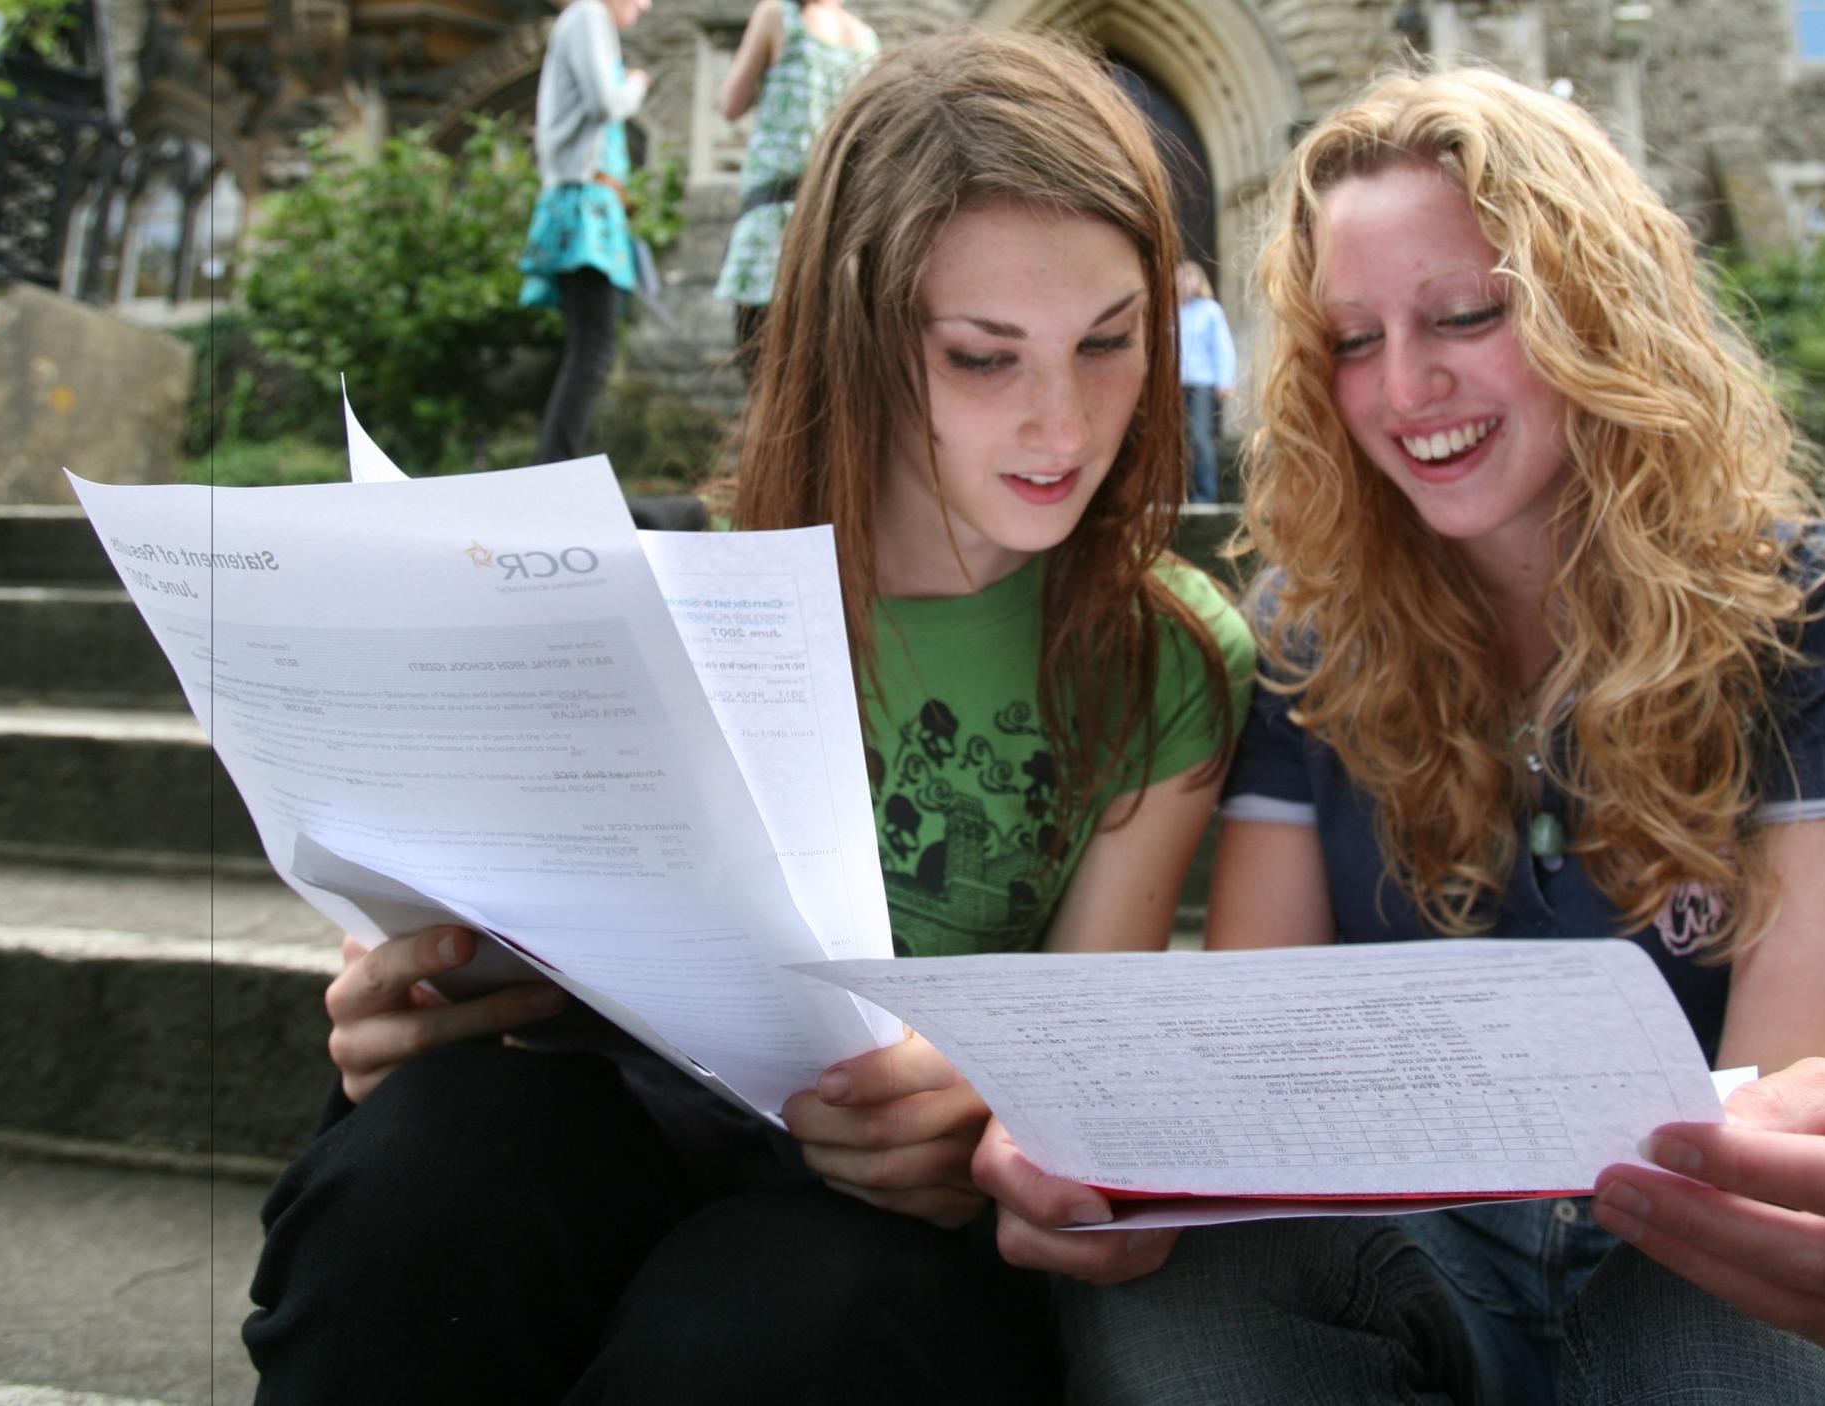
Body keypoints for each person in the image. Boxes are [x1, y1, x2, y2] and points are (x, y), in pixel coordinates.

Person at [973, 68, 1825, 1404]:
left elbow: (1796, 1116)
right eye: (1351, 341)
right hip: (1420, 1251)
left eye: (1468, 314)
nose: (1407, 387)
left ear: (1602, 310)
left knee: (1713, 1325)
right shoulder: (1311, 636)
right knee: (1191, 1306)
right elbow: (1269, 1050)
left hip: (1692, 1245)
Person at [242, 31, 1250, 1404]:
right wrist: (393, 1001)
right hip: (590, 1117)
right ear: (867, 337)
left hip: (876, 1231)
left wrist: (986, 1105)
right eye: (982, 357)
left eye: (1110, 342)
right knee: (420, 1189)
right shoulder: (638, 582)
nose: (1062, 422)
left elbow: (1078, 1042)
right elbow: (438, 963)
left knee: (768, 1334)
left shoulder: (1162, 653)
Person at [710, 0, 877, 380]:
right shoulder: (865, 39)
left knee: (762, 369)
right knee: (821, 373)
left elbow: (730, 104)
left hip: (774, 213)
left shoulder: (778, 15)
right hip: (834, 219)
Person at [522, 0, 653, 465]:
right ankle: (553, 473)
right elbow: (605, 102)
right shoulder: (588, 16)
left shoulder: (583, 20)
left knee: (589, 347)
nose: (645, 4)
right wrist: (635, 84)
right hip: (584, 206)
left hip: (591, 206)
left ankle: (554, 470)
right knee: (593, 351)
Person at [1176, 260, 1236, 502]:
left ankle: (1205, 494)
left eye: (1191, 277)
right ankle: (1179, 493)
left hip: (1202, 383)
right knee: (1175, 441)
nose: (1186, 283)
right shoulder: (1171, 312)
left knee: (1199, 437)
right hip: (1176, 384)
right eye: (1182, 277)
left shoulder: (1210, 310)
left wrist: (1225, 380)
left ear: (1200, 282)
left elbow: (1223, 347)